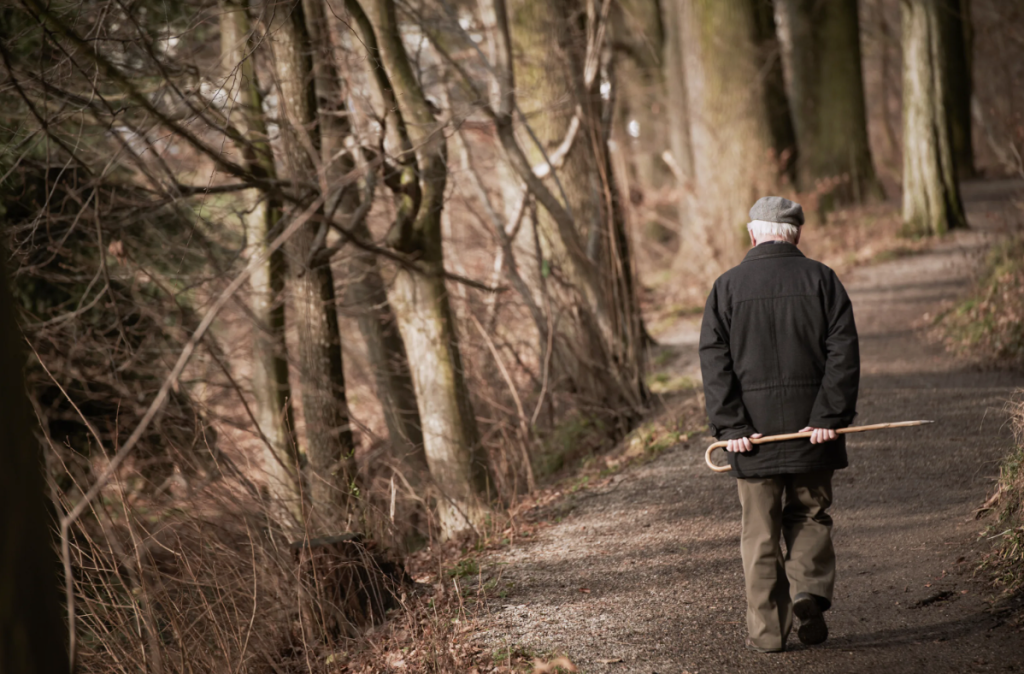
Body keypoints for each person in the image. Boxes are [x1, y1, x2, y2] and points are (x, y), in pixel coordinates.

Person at [698, 196, 860, 653]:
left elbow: (715, 363)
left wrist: (731, 427)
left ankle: (769, 635)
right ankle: (808, 590)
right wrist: (829, 416)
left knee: (760, 533)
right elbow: (843, 354)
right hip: (813, 433)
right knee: (809, 513)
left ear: (752, 234)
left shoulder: (725, 288)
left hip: (752, 439)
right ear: (797, 234)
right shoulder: (822, 279)